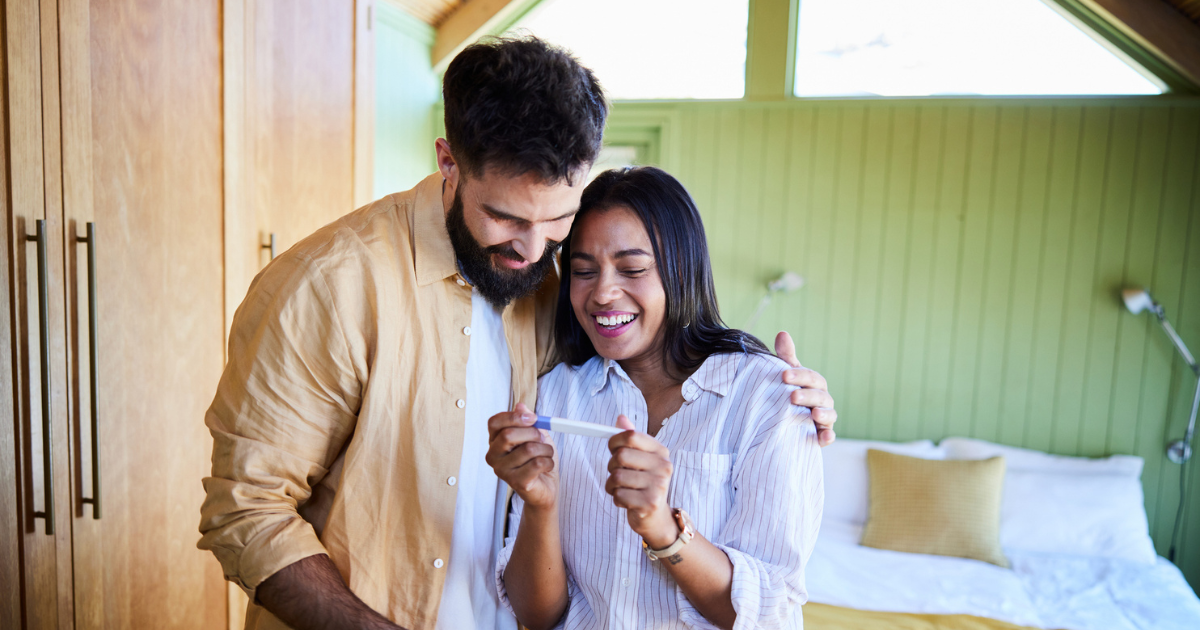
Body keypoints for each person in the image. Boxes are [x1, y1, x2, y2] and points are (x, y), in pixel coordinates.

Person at [198, 37, 836, 630]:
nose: (534, 251)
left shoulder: (557, 290)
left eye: (558, 219)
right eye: (505, 217)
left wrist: (791, 396)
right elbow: (247, 512)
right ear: (448, 160)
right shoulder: (329, 284)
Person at [487, 167, 823, 630]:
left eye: (632, 269)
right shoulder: (557, 394)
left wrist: (663, 527)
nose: (602, 292)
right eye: (583, 271)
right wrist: (540, 503)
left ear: (681, 269)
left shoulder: (766, 398)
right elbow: (538, 616)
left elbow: (771, 613)